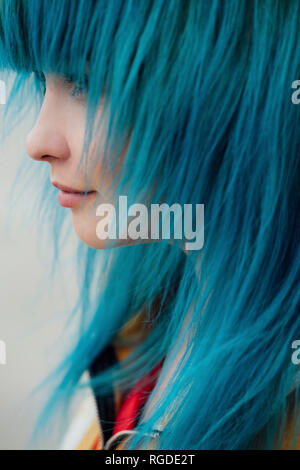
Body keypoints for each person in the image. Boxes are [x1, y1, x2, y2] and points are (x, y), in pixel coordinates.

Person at [0, 0, 299, 450]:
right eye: (42, 80)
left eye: (83, 81)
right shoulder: (142, 326)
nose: (38, 141)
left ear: (229, 70)